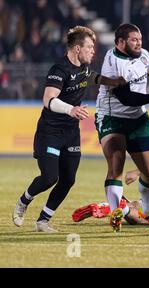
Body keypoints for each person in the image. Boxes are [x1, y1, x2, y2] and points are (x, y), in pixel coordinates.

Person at [12, 26, 125, 232]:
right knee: (49, 177)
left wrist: (115, 82)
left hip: (71, 133)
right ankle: (23, 201)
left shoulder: (83, 69)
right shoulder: (59, 70)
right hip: (50, 132)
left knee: (68, 179)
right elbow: (48, 100)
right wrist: (71, 109)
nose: (93, 51)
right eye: (89, 47)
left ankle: (43, 220)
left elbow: (94, 78)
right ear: (76, 49)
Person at [95, 23, 149, 232]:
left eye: (140, 39)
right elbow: (126, 98)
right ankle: (116, 212)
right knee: (116, 164)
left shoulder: (143, 55)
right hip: (111, 118)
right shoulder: (113, 62)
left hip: (138, 119)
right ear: (120, 42)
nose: (139, 43)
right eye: (134, 39)